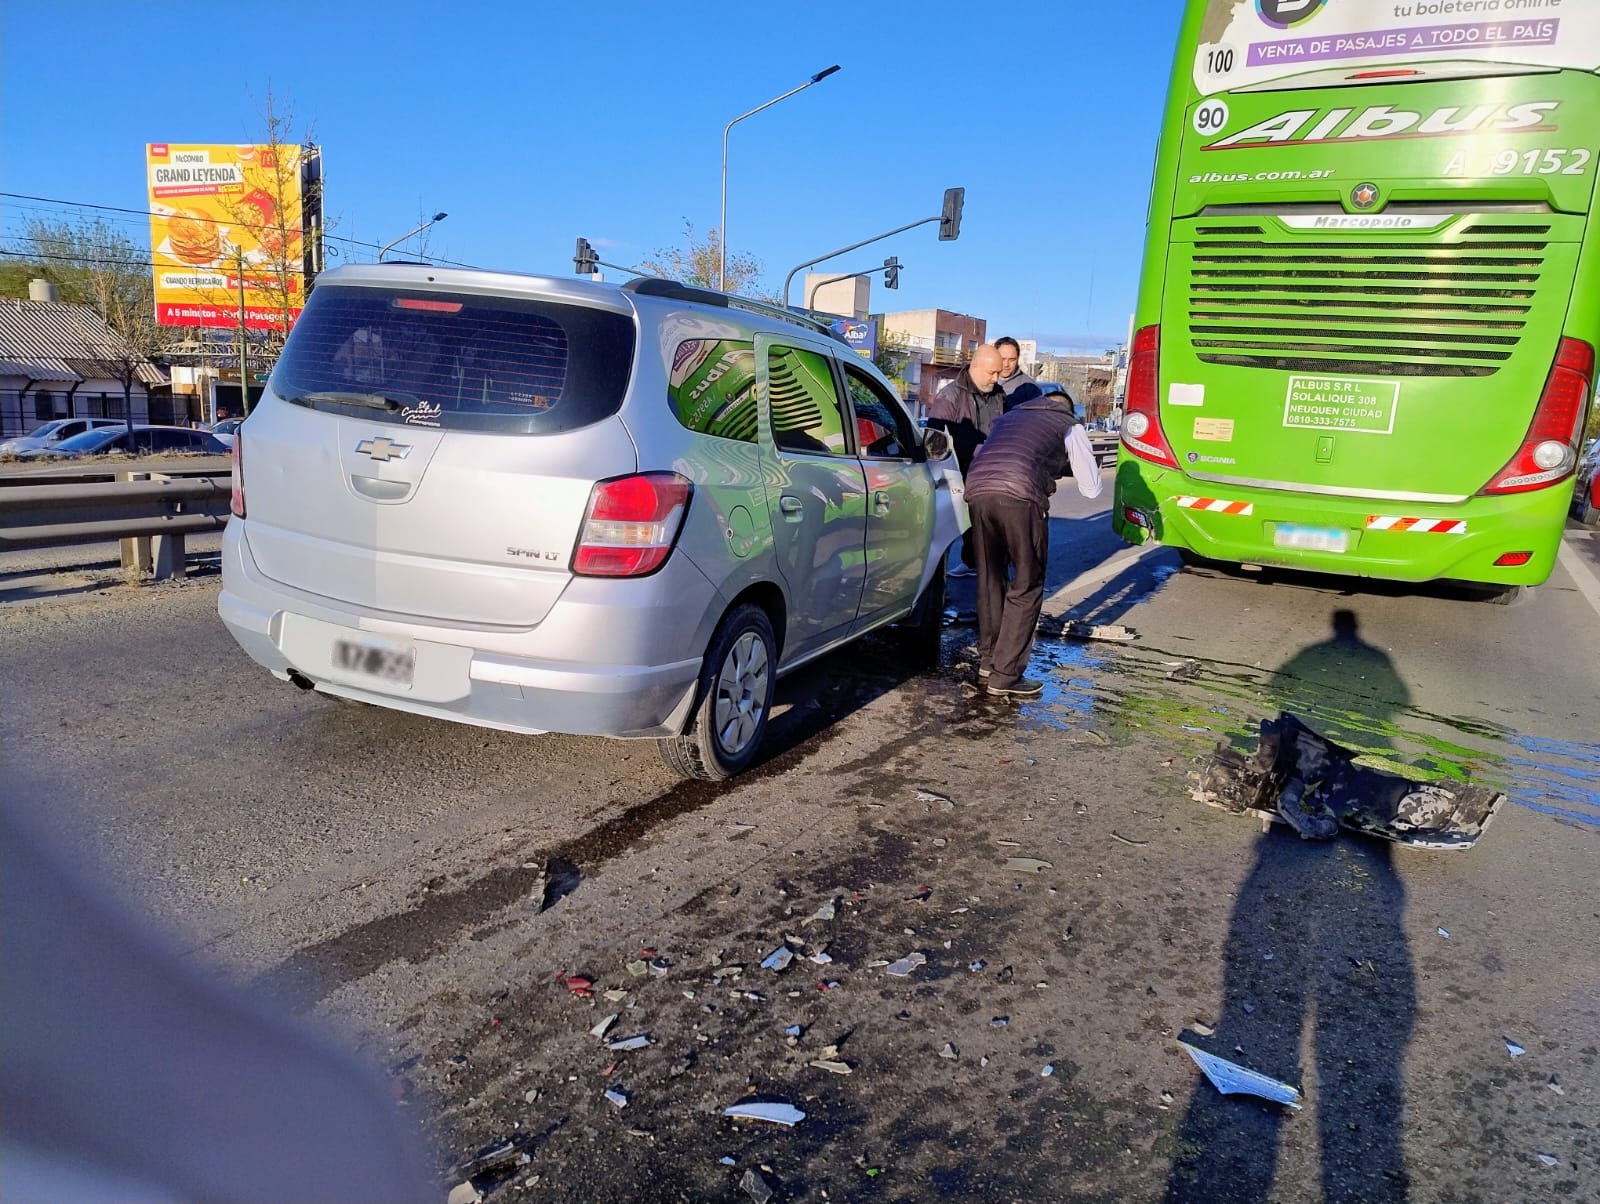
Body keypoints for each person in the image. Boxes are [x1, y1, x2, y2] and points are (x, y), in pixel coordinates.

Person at [962, 389, 1103, 697]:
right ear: (1067, 409)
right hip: (1019, 498)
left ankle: (988, 661)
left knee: (990, 579)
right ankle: (1006, 676)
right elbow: (1091, 488)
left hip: (977, 491)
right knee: (1026, 585)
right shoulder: (1068, 423)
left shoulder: (1009, 418)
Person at [924, 343, 1005, 576]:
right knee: (949, 533)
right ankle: (940, 582)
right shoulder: (950, 397)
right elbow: (934, 444)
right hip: (959, 476)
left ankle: (983, 566)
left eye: (999, 373)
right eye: (992, 373)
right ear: (976, 366)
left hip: (991, 477)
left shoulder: (999, 395)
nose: (996, 378)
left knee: (988, 530)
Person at [994, 336, 1042, 411]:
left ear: (1018, 358)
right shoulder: (985, 381)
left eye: (1012, 360)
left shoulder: (1030, 387)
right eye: (1002, 359)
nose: (1006, 364)